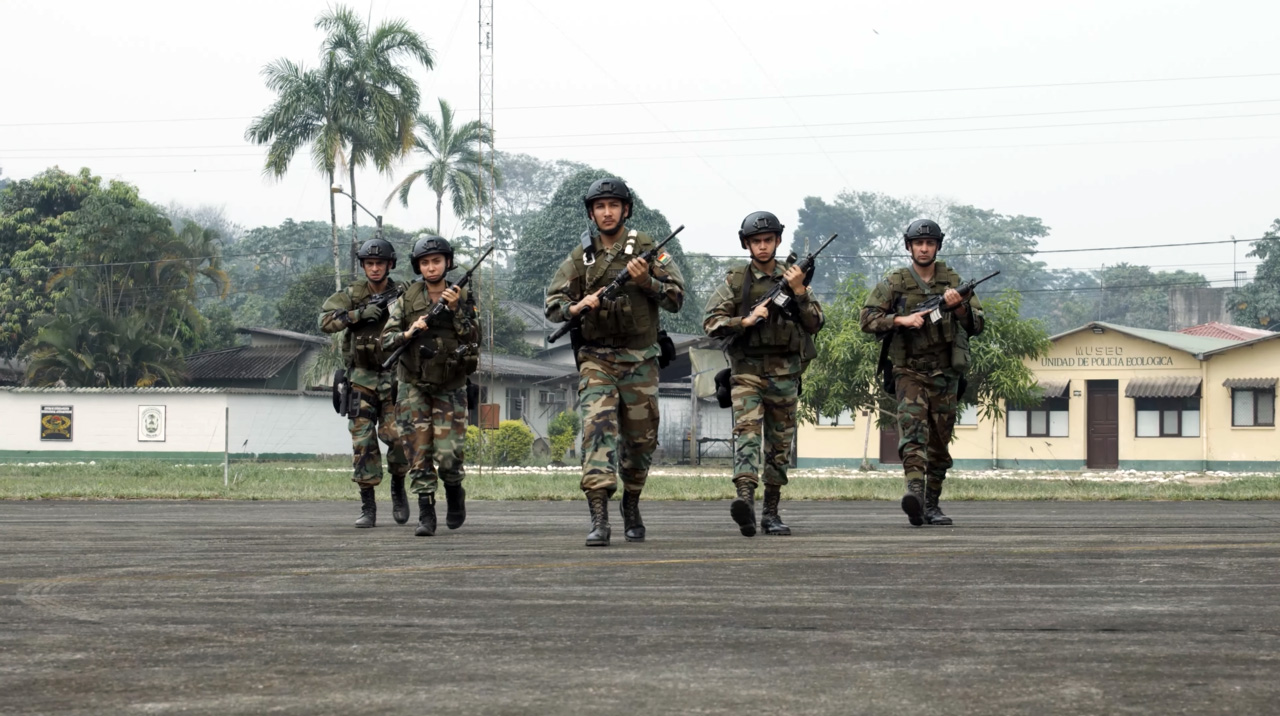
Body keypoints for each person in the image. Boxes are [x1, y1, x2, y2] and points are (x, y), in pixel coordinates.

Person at [544, 177, 685, 547]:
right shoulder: (582, 257)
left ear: (626, 209)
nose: (607, 212)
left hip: (640, 359)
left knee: (640, 441)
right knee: (597, 432)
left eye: (613, 205)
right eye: (600, 206)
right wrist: (577, 306)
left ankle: (632, 503)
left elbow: (675, 298)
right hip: (597, 359)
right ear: (592, 212)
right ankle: (599, 517)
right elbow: (553, 304)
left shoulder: (649, 249)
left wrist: (647, 283)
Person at [703, 211, 824, 537]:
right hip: (746, 373)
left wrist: (799, 292)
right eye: (756, 241)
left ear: (778, 241)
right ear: (747, 243)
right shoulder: (736, 281)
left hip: (785, 373)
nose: (762, 246)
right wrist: (743, 321)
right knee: (747, 435)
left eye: (768, 240)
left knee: (779, 445)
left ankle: (771, 512)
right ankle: (745, 501)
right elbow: (711, 322)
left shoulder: (795, 277)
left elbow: (815, 323)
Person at [860, 219, 984, 526]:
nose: (924, 248)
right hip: (909, 371)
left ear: (938, 246)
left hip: (945, 374)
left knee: (940, 442)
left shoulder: (952, 281)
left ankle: (931, 505)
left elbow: (978, 325)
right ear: (909, 246)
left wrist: (959, 308)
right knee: (913, 432)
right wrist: (901, 321)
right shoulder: (896, 282)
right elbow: (866, 319)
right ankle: (914, 491)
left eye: (930, 243)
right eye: (918, 243)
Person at [381, 235, 480, 537]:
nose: (431, 267)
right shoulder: (407, 300)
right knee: (418, 451)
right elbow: (386, 340)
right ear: (418, 267)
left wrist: (457, 311)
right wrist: (408, 332)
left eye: (436, 261)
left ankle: (454, 490)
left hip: (450, 386)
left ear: (447, 263)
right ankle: (426, 511)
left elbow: (475, 339)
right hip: (414, 386)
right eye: (425, 262)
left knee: (450, 454)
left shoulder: (462, 298)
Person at [319, 238, 411, 528]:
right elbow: (325, 320)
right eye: (369, 264)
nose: (374, 268)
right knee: (363, 442)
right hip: (360, 376)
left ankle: (398, 485)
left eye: (379, 264)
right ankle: (368, 505)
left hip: (395, 376)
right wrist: (357, 315)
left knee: (397, 436)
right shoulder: (353, 294)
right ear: (363, 266)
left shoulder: (403, 293)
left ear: (390, 265)